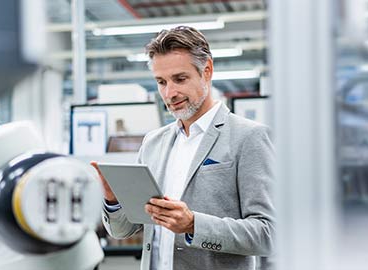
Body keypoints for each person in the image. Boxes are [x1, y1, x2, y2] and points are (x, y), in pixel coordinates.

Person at [91, 26, 275, 270]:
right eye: (161, 82)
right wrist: (113, 200)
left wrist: (193, 224)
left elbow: (269, 233)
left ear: (206, 71)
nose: (170, 93)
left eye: (180, 79)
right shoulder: (153, 143)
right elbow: (124, 229)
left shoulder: (248, 137)